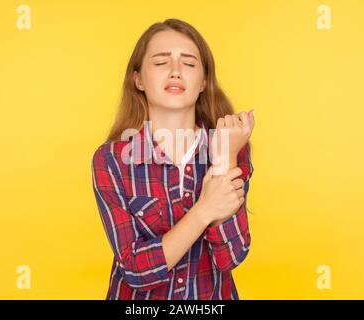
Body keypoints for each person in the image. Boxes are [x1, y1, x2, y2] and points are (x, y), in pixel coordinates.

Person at [92, 18, 255, 300]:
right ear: (138, 79)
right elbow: (135, 271)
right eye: (161, 62)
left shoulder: (232, 147)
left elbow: (231, 256)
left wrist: (224, 158)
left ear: (203, 81)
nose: (176, 72)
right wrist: (204, 210)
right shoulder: (111, 160)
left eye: (189, 63)